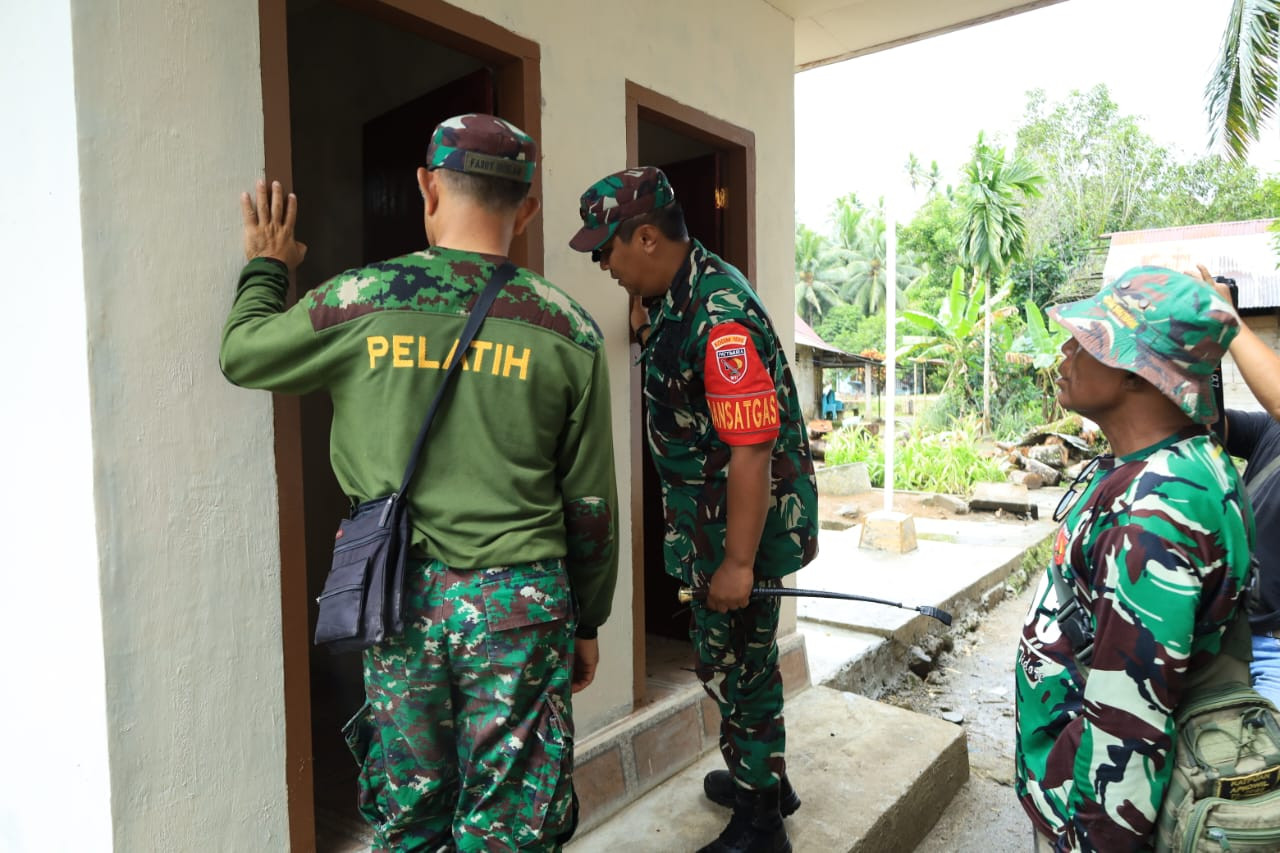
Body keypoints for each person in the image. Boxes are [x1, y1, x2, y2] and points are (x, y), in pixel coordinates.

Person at [220, 114, 618, 851]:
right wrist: (587, 620)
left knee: (411, 813)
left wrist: (268, 266)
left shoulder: (364, 298)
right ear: (527, 209)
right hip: (522, 607)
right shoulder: (567, 328)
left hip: (396, 596)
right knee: (511, 826)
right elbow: (590, 505)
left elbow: (243, 353)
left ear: (427, 188)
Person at [569, 167, 818, 853]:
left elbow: (751, 449)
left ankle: (762, 821)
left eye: (607, 249)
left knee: (739, 665)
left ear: (647, 238)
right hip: (711, 523)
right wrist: (644, 317)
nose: (602, 264)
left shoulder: (718, 318)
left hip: (738, 531)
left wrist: (737, 562)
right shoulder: (682, 294)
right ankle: (763, 779)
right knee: (742, 659)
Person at [1013, 266, 1254, 852]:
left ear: (1137, 372)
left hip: (1086, 814)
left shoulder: (1152, 516)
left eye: (1087, 341)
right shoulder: (1184, 460)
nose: (1065, 354)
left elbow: (1129, 729)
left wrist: (1088, 839)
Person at [1196, 267, 1280, 707]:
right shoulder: (1271, 430)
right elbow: (1210, 427)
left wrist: (1227, 319)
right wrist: (1206, 351)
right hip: (1232, 636)